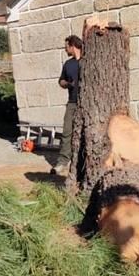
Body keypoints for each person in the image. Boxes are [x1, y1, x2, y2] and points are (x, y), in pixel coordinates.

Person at [52, 35, 82, 175]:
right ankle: (62, 162)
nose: (65, 49)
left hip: (87, 104)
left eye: (66, 46)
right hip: (72, 102)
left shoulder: (88, 61)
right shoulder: (68, 64)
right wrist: (67, 84)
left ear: (72, 45)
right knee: (67, 132)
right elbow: (61, 81)